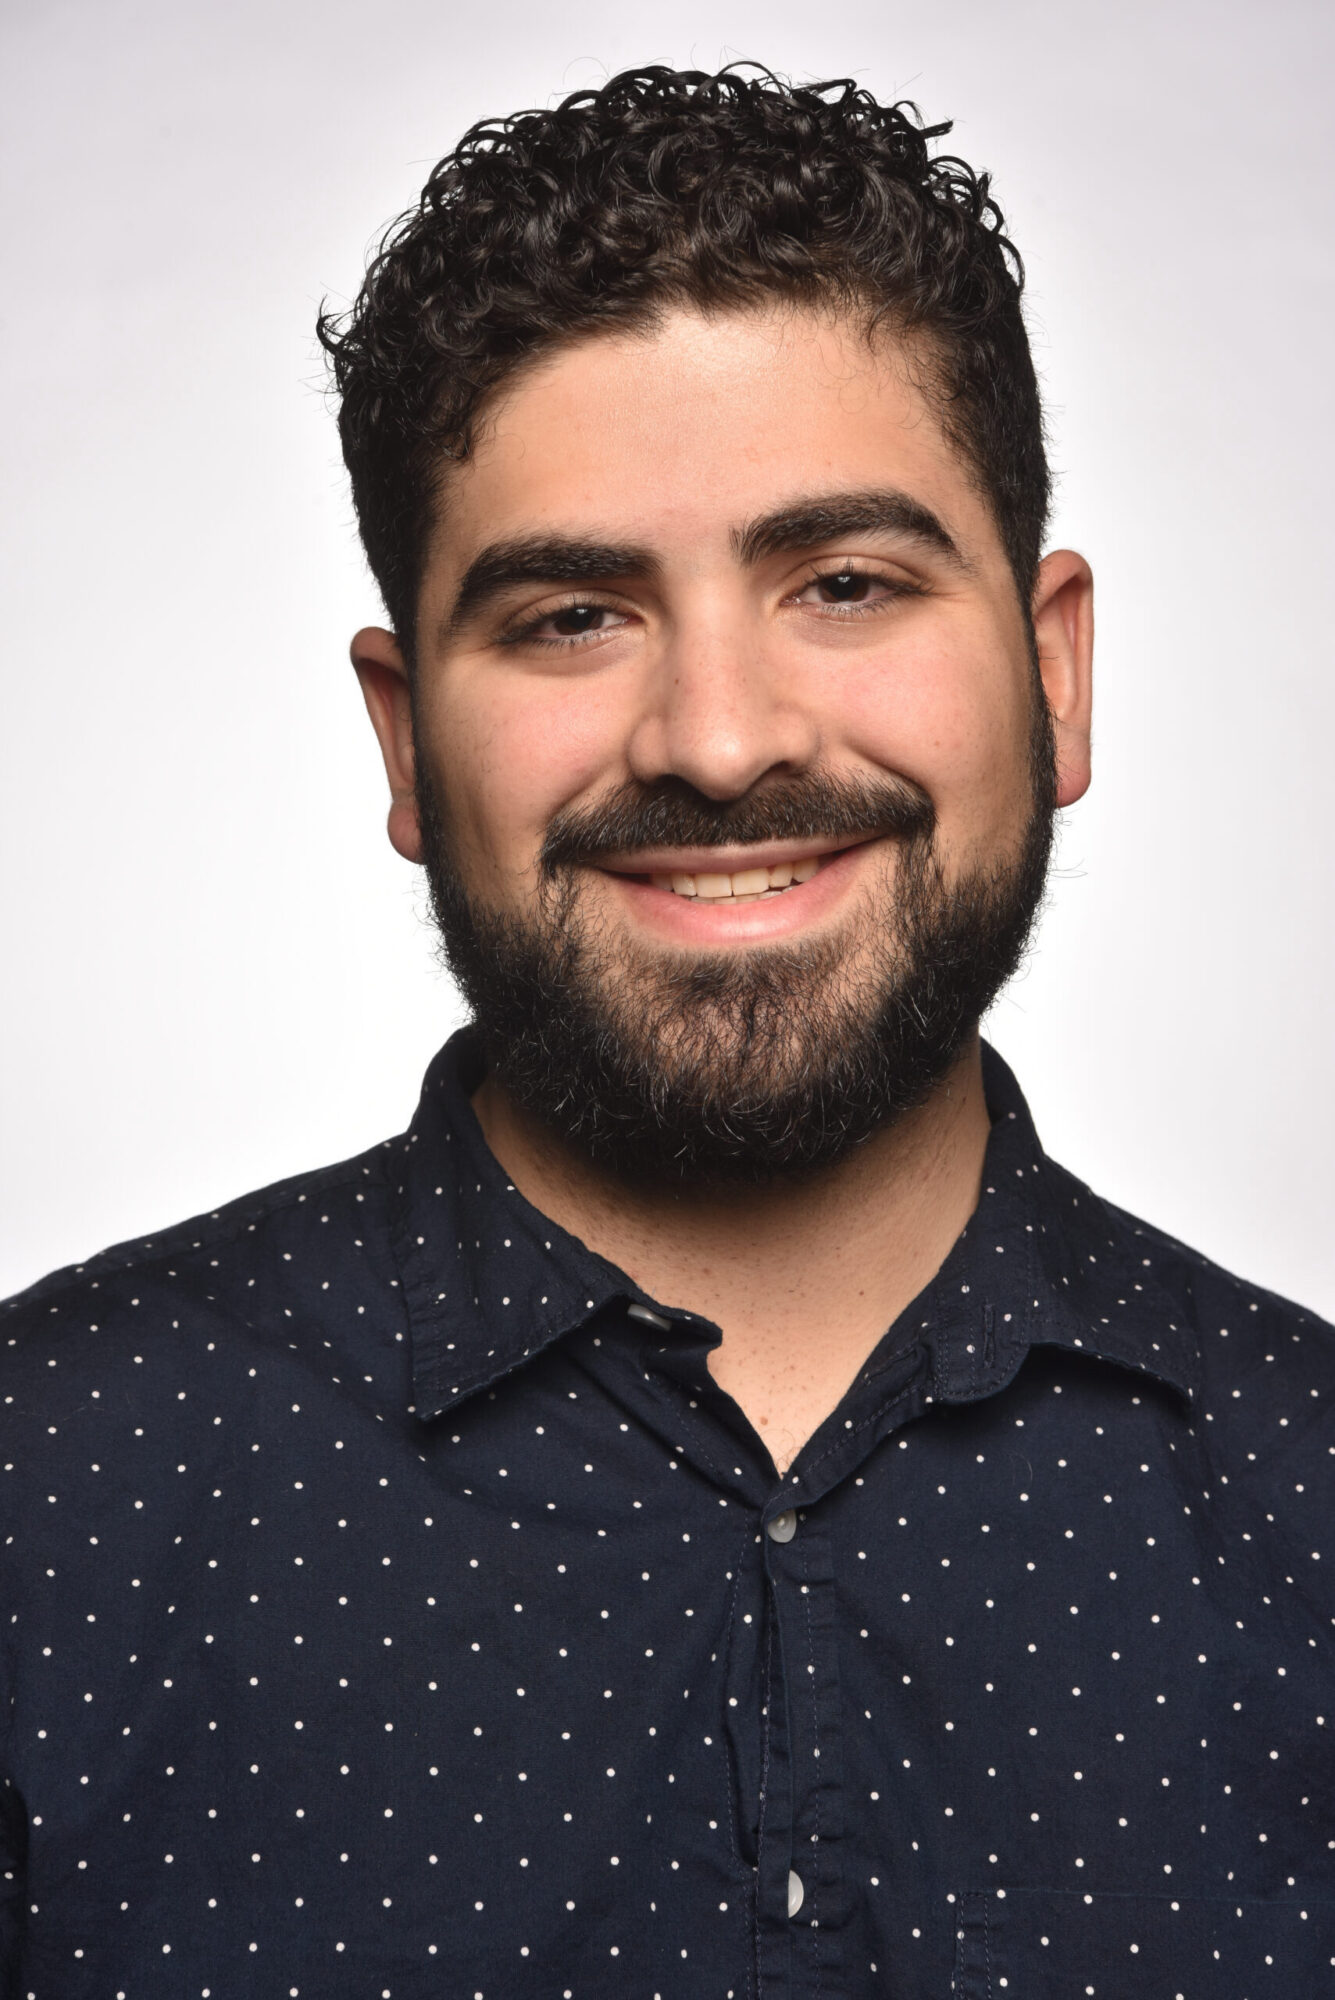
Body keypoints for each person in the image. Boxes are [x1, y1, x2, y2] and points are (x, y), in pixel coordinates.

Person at [2, 63, 1331, 1999]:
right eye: (568, 616)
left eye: (845, 582)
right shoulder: (46, 1489)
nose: (717, 737)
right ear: (401, 736)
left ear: (1051, 674)